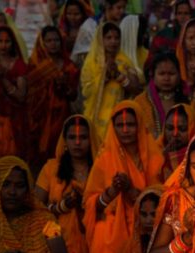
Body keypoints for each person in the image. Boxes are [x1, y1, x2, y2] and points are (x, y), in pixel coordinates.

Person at [84, 101, 164, 253]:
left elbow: (161, 198)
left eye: (131, 124)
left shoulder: (155, 159)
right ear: (113, 127)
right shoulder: (105, 159)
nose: (126, 130)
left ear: (139, 125)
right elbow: (91, 204)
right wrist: (113, 190)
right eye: (120, 125)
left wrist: (131, 190)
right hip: (112, 235)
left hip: (148, 230)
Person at [35, 115, 97, 253]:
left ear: (91, 139)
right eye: (72, 137)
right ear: (64, 140)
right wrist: (61, 207)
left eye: (83, 137)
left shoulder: (100, 167)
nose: (77, 143)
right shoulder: (51, 168)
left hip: (93, 238)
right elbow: (35, 209)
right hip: (58, 240)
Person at [81, 22, 142, 151]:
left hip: (119, 118)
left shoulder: (125, 62)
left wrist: (118, 76)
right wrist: (104, 77)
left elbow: (136, 89)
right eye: (108, 38)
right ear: (100, 39)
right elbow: (86, 91)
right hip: (95, 117)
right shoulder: (92, 63)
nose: (113, 42)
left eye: (116, 38)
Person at [27, 26, 80, 161]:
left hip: (61, 114)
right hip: (39, 115)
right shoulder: (35, 65)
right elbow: (28, 92)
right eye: (49, 40)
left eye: (56, 40)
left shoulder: (69, 66)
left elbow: (73, 95)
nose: (53, 44)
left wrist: (64, 85)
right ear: (42, 43)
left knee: (60, 150)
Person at [0, 26, 27, 173]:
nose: (3, 45)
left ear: (13, 43)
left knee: (7, 168)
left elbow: (21, 96)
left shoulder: (19, 65)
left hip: (11, 121)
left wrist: (4, 78)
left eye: (7, 41)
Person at [133, 51, 188, 139]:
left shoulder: (189, 100)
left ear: (179, 75)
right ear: (153, 75)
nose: (166, 78)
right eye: (161, 74)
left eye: (171, 74)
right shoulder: (140, 102)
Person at [71, 0, 127, 65]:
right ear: (108, 6)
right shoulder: (90, 25)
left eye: (124, 8)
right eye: (119, 8)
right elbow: (82, 54)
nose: (122, 11)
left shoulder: (126, 24)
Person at [158, 103, 195, 180]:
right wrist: (162, 158)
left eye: (182, 129)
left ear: (193, 129)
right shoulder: (155, 150)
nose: (175, 134)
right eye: (170, 128)